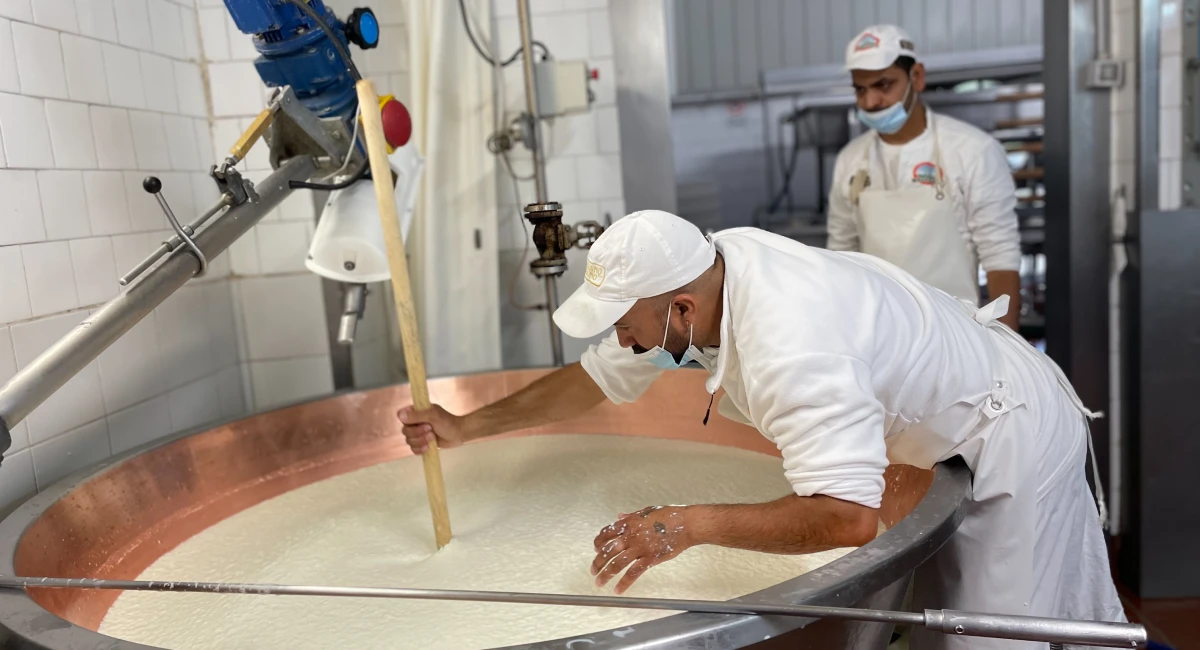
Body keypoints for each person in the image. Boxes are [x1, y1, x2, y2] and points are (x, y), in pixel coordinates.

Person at [398, 211, 1125, 649]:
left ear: (681, 308)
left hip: (1004, 440)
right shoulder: (717, 264)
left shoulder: (791, 344)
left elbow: (847, 518)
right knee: (942, 631)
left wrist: (685, 525)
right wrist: (467, 426)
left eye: (626, 325)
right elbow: (599, 378)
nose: (620, 340)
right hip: (941, 432)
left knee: (1004, 638)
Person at [827, 25, 1023, 330]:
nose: (870, 102)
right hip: (881, 333)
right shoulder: (851, 160)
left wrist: (1009, 353)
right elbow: (840, 256)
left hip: (957, 333)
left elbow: (1000, 257)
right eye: (860, 89)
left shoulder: (972, 150)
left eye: (883, 85)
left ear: (916, 77)